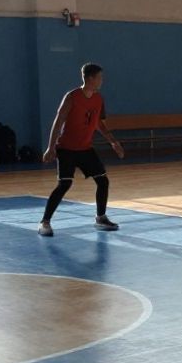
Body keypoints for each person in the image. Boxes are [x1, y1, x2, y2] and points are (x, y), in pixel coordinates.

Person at [39, 63, 125, 235]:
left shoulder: (98, 99)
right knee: (64, 184)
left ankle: (101, 218)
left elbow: (98, 123)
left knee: (103, 180)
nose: (102, 80)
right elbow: (58, 122)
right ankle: (45, 222)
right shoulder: (72, 97)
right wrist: (50, 147)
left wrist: (113, 142)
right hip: (67, 149)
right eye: (99, 77)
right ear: (90, 78)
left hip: (85, 149)